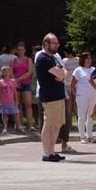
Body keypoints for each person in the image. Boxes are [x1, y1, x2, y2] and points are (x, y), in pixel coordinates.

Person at [34, 33, 66, 162]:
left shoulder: (53, 58)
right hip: (50, 97)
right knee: (49, 125)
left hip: (58, 95)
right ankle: (47, 154)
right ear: (46, 44)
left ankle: (52, 152)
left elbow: (64, 73)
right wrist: (61, 75)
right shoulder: (43, 58)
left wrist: (61, 75)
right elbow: (61, 74)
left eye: (57, 43)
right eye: (54, 43)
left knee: (56, 125)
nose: (57, 46)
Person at [71, 52, 96, 144]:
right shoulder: (78, 70)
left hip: (93, 95)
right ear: (83, 60)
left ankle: (90, 135)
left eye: (90, 58)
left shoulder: (94, 69)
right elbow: (72, 85)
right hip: (82, 95)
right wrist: (76, 95)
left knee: (91, 116)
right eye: (87, 58)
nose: (89, 60)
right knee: (81, 116)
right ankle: (82, 136)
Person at [60, 44, 79, 152]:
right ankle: (79, 122)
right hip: (76, 84)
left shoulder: (64, 60)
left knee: (68, 106)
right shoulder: (78, 59)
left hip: (67, 84)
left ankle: (70, 123)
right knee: (76, 105)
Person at [13, 42, 35, 131]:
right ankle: (20, 124)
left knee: (28, 104)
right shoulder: (14, 60)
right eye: (19, 50)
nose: (20, 51)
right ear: (17, 51)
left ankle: (30, 125)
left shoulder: (28, 59)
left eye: (22, 50)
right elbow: (10, 71)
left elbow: (30, 71)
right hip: (16, 84)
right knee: (18, 105)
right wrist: (15, 80)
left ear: (25, 50)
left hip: (26, 83)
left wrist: (19, 79)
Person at [0, 66, 22, 134]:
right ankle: (5, 127)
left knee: (16, 114)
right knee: (4, 114)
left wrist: (16, 100)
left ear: (10, 72)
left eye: (8, 71)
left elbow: (15, 91)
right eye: (4, 72)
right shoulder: (0, 82)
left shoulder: (13, 81)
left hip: (12, 101)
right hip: (4, 101)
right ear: (2, 73)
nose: (6, 73)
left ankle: (18, 126)